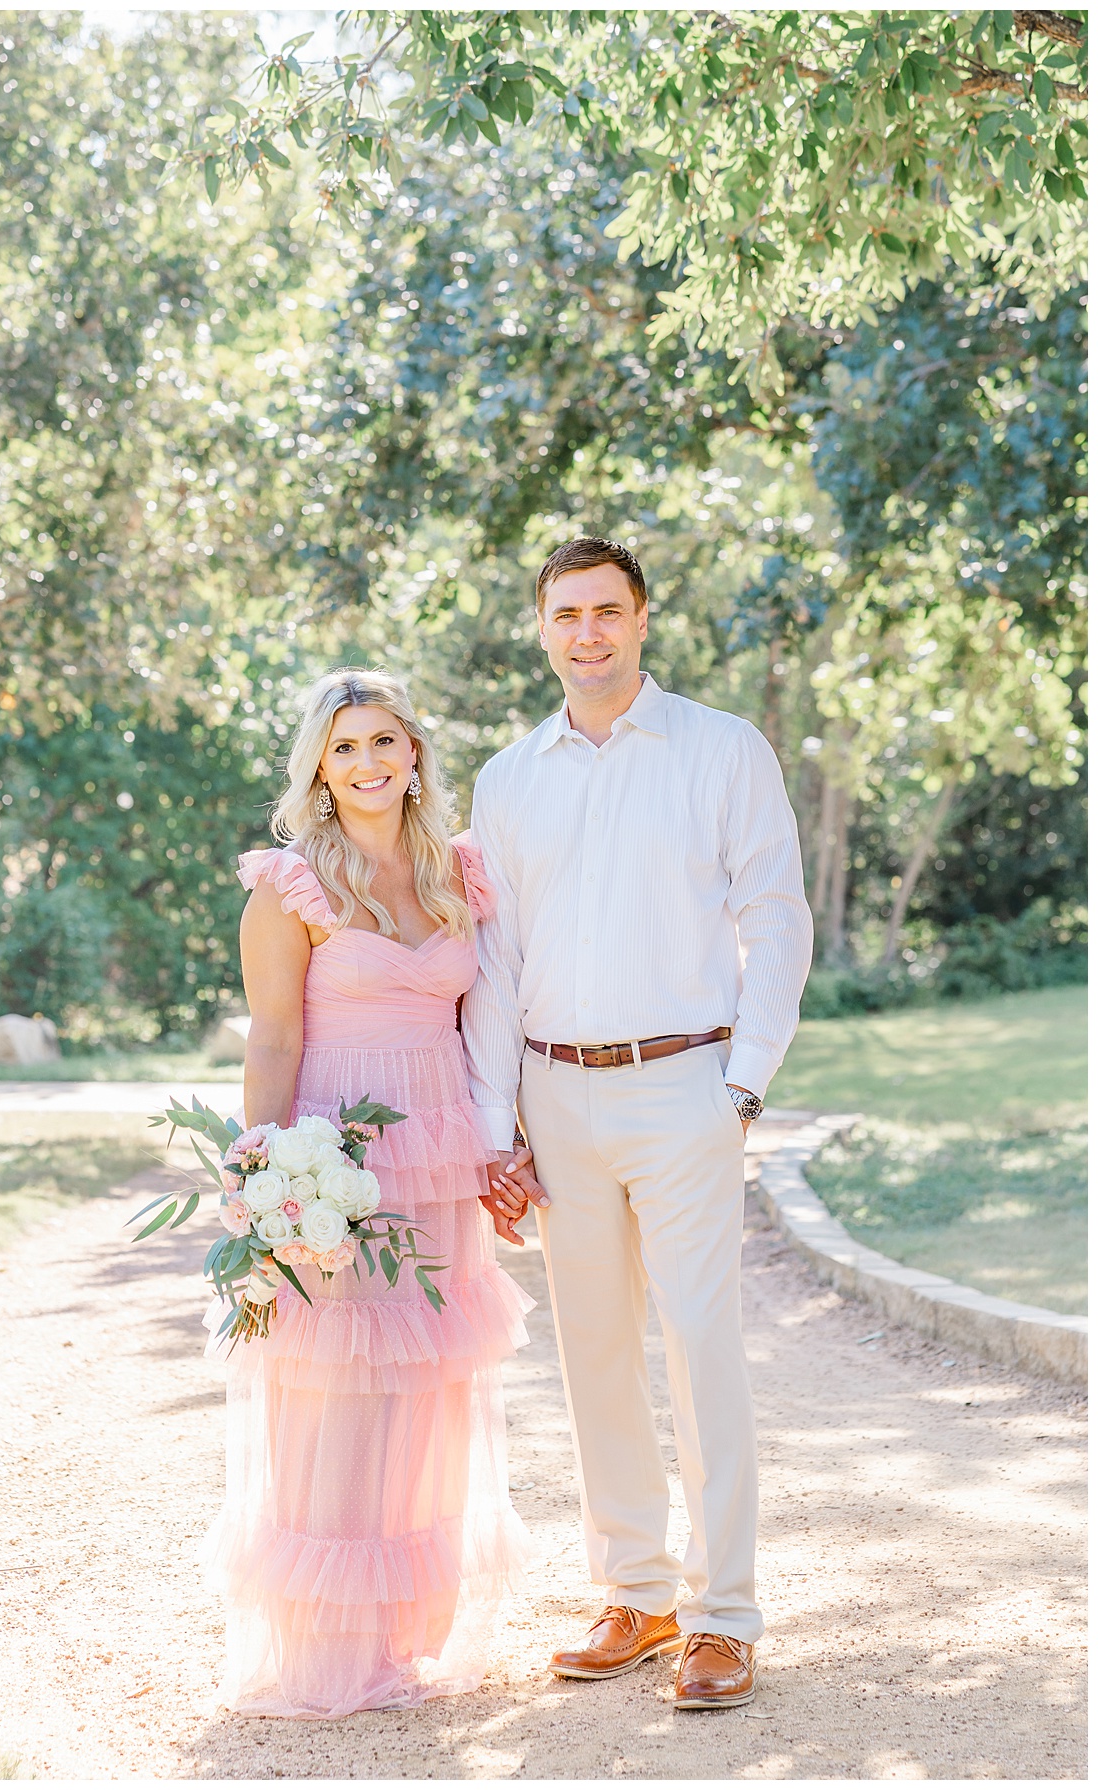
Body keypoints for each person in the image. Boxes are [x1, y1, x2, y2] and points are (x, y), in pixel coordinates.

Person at [462, 538, 813, 1711]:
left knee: (703, 1345)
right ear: (543, 628)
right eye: (567, 614)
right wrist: (493, 1122)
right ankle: (638, 1591)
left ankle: (723, 1615)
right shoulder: (509, 779)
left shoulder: (721, 748)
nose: (588, 633)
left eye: (607, 611)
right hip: (556, 1094)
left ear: (643, 618)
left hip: (687, 1085)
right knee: (595, 1353)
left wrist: (744, 1085)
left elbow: (778, 915)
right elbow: (498, 959)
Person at [201, 667, 542, 1719]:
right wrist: (265, 1174)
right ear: (318, 765)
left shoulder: (459, 877)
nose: (365, 763)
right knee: (335, 1390)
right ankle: (326, 1644)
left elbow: (487, 1021)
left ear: (414, 755)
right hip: (336, 1154)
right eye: (343, 747)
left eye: (383, 741)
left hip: (435, 1150)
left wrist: (505, 1140)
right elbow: (274, 1034)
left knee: (426, 1387)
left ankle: (407, 1631)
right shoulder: (290, 886)